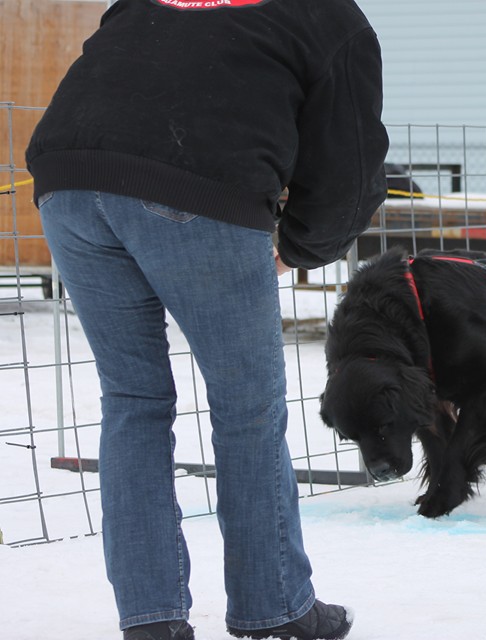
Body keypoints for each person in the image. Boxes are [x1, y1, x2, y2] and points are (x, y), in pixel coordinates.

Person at [26, 1, 388, 639]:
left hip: (69, 181)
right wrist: (302, 246)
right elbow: (349, 172)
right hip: (196, 190)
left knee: (134, 400)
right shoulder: (332, 16)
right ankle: (275, 609)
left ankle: (152, 620)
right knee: (246, 407)